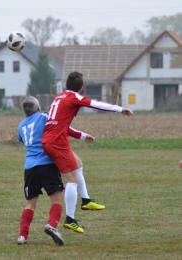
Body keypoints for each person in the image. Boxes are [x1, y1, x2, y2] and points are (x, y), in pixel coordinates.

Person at [42, 71, 134, 234]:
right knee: (72, 180)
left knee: (78, 164)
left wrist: (82, 136)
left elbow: (59, 124)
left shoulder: (59, 97)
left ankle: (86, 200)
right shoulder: (73, 98)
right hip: (57, 142)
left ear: (65, 85)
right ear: (82, 88)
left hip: (50, 140)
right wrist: (120, 109)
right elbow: (96, 104)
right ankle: (70, 219)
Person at [17, 96, 96, 245]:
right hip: (47, 164)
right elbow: (63, 127)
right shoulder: (45, 117)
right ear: (39, 108)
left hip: (30, 168)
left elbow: (23, 140)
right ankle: (52, 226)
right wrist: (82, 136)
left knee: (30, 203)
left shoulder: (21, 126)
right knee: (57, 199)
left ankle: (22, 236)